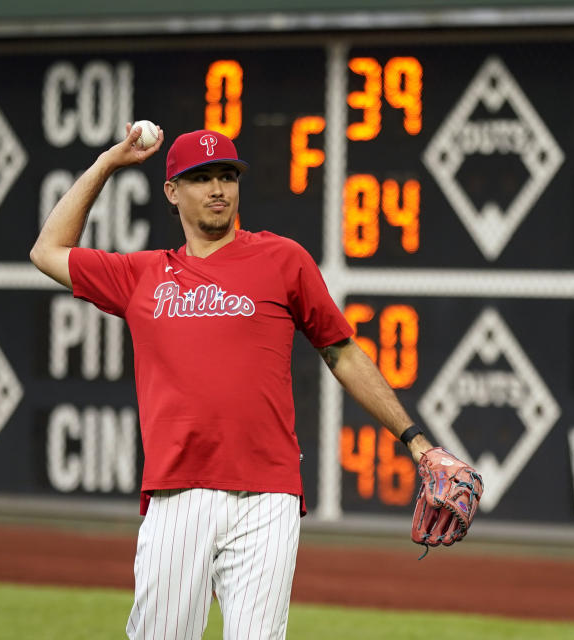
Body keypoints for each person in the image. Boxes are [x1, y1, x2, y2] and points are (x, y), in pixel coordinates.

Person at [30, 124, 435, 640]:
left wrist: (417, 443)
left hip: (268, 495)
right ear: (172, 193)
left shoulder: (282, 259)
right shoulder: (143, 274)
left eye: (227, 175)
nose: (218, 188)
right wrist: (108, 163)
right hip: (178, 494)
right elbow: (47, 250)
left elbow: (343, 352)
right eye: (200, 178)